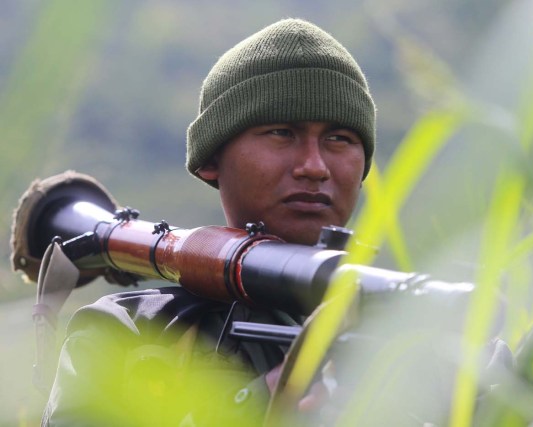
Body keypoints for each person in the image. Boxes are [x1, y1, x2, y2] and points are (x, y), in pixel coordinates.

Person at [42, 18, 376, 426]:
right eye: (281, 132)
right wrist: (250, 406)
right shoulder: (135, 333)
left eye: (339, 139)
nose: (314, 166)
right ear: (211, 161)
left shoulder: (409, 326)